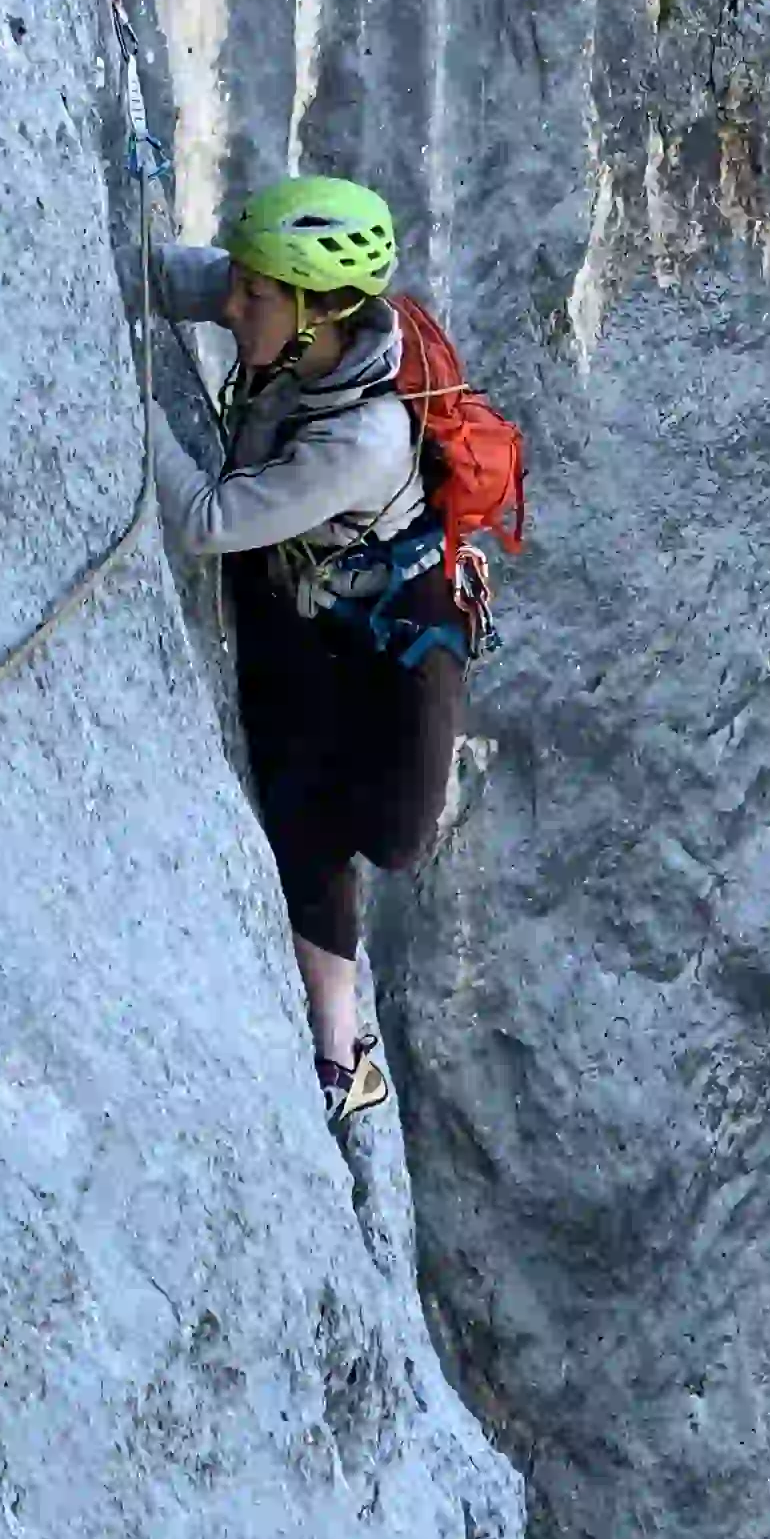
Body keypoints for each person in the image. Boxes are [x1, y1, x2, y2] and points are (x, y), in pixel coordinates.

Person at [148, 175, 466, 1128]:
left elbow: (206, 520)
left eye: (253, 293)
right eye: (242, 283)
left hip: (395, 637)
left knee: (388, 834)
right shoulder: (294, 317)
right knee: (300, 811)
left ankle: (350, 1059)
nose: (231, 300)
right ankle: (342, 1046)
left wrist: (123, 403)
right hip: (303, 589)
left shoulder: (362, 439)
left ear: (316, 308)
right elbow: (176, 279)